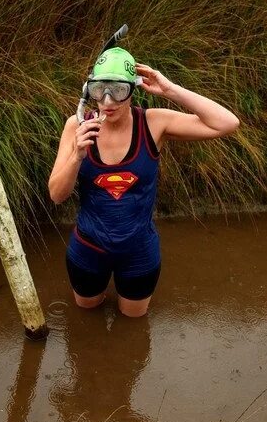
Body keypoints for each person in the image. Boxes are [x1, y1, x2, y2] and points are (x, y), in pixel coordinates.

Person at [48, 47, 239, 318]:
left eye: (118, 90)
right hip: (88, 249)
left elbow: (227, 123)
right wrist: (77, 155)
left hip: (139, 252)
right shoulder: (76, 126)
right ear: (88, 89)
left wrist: (170, 90)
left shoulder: (154, 123)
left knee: (133, 325)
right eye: (99, 89)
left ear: (132, 89)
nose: (107, 100)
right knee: (85, 321)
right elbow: (56, 195)